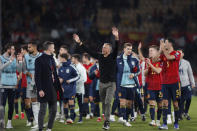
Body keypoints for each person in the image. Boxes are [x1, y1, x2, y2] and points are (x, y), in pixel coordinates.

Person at [73, 27, 119, 130]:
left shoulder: (113, 56)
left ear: (110, 50)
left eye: (105, 47)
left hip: (111, 83)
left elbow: (117, 48)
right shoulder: (100, 57)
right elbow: (88, 50)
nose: (103, 48)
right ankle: (106, 117)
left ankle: (106, 122)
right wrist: (79, 42)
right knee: (103, 102)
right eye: (103, 47)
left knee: (107, 102)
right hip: (101, 84)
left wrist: (116, 37)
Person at [35, 41, 62, 131]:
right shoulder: (39, 60)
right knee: (42, 110)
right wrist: (40, 89)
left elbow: (55, 74)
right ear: (49, 48)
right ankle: (40, 128)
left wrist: (59, 87)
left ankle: (49, 128)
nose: (54, 49)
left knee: (54, 110)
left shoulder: (52, 59)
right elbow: (37, 76)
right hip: (44, 88)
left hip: (52, 88)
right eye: (53, 47)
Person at [159, 39, 181, 130]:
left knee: (175, 104)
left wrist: (163, 49)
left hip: (175, 82)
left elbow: (169, 57)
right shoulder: (163, 54)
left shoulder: (177, 53)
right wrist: (161, 49)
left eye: (166, 43)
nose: (165, 44)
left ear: (170, 44)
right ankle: (164, 124)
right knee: (165, 103)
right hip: (164, 83)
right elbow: (156, 59)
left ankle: (176, 123)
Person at [116, 43, 140, 127]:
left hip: (131, 85)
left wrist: (134, 75)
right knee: (122, 102)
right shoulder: (118, 60)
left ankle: (126, 119)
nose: (129, 50)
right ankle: (123, 118)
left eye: (131, 49)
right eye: (128, 49)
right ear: (124, 49)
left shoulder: (135, 60)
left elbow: (138, 71)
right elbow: (115, 72)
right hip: (122, 84)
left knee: (129, 104)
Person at [0, 43, 22, 129]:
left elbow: (19, 70)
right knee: (2, 105)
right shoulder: (1, 58)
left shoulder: (14, 58)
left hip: (12, 85)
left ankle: (9, 122)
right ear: (8, 49)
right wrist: (10, 61)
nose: (14, 51)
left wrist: (20, 61)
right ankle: (2, 122)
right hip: (3, 85)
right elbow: (1, 68)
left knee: (11, 105)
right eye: (12, 49)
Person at [22, 42, 42, 129]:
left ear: (34, 47)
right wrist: (29, 74)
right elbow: (23, 69)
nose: (28, 49)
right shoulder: (26, 57)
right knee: (34, 102)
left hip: (41, 82)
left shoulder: (41, 56)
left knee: (42, 102)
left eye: (29, 47)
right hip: (31, 83)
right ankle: (37, 123)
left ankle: (40, 121)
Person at [58, 53, 79, 124]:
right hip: (63, 89)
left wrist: (70, 80)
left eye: (60, 58)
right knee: (65, 104)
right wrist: (59, 81)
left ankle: (72, 118)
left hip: (71, 88)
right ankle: (67, 119)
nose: (59, 59)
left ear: (64, 58)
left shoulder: (71, 66)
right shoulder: (60, 68)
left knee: (71, 102)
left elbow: (78, 76)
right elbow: (59, 77)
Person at [144, 45, 163, 127]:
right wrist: (148, 66)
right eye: (149, 51)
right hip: (150, 86)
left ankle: (158, 120)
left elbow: (158, 71)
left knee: (160, 105)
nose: (150, 52)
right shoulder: (147, 61)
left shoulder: (161, 61)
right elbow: (145, 74)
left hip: (160, 86)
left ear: (156, 52)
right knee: (152, 103)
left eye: (152, 50)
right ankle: (153, 121)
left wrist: (150, 64)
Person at [178, 49, 195, 120]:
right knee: (181, 100)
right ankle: (181, 114)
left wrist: (193, 83)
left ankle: (186, 112)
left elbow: (190, 74)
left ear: (183, 54)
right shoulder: (173, 62)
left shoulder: (186, 62)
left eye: (180, 53)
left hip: (187, 84)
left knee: (189, 98)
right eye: (177, 53)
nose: (179, 54)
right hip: (178, 85)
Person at [71, 54, 87, 123]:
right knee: (71, 103)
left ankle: (80, 118)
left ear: (76, 59)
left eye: (73, 58)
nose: (72, 60)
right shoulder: (72, 66)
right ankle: (73, 115)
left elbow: (84, 79)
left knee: (80, 104)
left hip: (79, 89)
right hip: (73, 89)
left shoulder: (81, 68)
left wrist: (74, 81)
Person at [82, 53, 94, 119]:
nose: (82, 59)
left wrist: (86, 70)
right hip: (84, 84)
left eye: (83, 57)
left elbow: (92, 73)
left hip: (91, 84)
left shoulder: (92, 65)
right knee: (85, 99)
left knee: (91, 99)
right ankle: (87, 113)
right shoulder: (83, 65)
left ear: (86, 58)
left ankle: (92, 112)